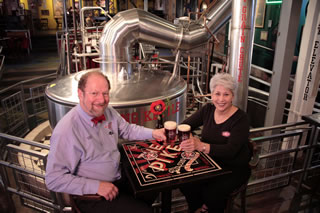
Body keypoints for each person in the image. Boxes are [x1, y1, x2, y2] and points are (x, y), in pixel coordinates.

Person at [45, 71, 166, 213]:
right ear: (80, 93)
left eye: (105, 93)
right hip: (93, 196)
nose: (101, 100)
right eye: (94, 93)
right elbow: (53, 179)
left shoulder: (107, 111)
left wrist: (154, 133)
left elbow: (127, 130)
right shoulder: (67, 130)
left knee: (155, 184)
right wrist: (96, 186)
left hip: (119, 177)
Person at [179, 72, 252, 213]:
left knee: (212, 193)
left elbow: (231, 151)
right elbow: (185, 126)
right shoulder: (207, 109)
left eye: (226, 94)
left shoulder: (241, 119)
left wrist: (201, 145)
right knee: (185, 182)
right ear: (211, 95)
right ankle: (199, 208)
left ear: (233, 96)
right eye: (217, 94)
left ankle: (209, 208)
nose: (221, 99)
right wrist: (190, 139)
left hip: (234, 167)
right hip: (209, 163)